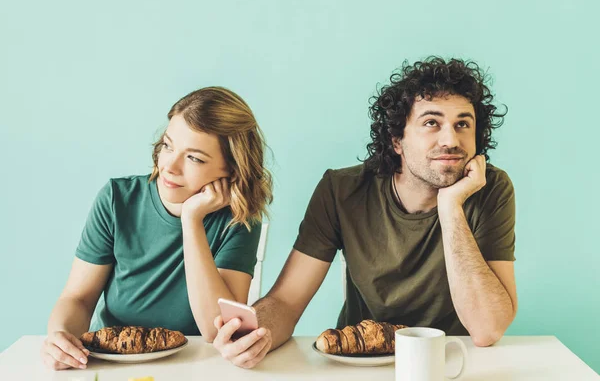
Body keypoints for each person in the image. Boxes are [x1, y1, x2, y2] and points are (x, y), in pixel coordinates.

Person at [212, 57, 518, 369]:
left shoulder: (490, 189)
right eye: (431, 123)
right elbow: (287, 301)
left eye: (462, 124)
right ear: (396, 140)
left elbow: (487, 329)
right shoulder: (341, 190)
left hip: (450, 364)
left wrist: (451, 207)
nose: (451, 140)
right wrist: (253, 335)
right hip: (359, 363)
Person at [41, 87, 273, 370]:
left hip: (198, 366)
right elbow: (78, 298)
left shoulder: (240, 220)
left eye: (195, 158)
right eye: (168, 145)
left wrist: (191, 221)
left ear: (232, 170)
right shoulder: (117, 199)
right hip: (116, 363)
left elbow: (217, 329)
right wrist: (60, 336)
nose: (170, 166)